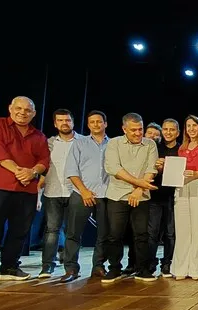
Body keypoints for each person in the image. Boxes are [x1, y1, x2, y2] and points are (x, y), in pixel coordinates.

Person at [0, 96, 50, 286]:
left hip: (28, 190)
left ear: (33, 114)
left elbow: (44, 161)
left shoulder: (39, 135)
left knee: (20, 231)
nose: (22, 113)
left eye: (27, 110)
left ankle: (9, 267)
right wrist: (20, 171)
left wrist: (32, 172)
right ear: (10, 108)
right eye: (18, 108)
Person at [102, 113, 159, 283]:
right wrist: (138, 184)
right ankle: (114, 268)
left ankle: (142, 269)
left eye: (140, 129)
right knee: (115, 235)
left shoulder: (150, 144)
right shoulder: (114, 143)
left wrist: (138, 190)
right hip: (117, 194)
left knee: (142, 234)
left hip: (141, 196)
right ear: (124, 129)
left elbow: (152, 169)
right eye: (133, 130)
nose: (137, 133)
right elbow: (114, 168)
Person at [62, 110, 110, 281]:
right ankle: (71, 269)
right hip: (80, 194)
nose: (96, 125)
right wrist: (84, 191)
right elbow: (71, 170)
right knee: (73, 232)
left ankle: (98, 266)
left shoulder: (113, 144)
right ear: (88, 125)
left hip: (105, 195)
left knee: (104, 233)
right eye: (92, 122)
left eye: (99, 121)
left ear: (105, 124)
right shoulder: (79, 144)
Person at [38, 109, 82, 278]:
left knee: (73, 231)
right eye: (61, 120)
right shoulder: (48, 143)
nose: (65, 123)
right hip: (53, 191)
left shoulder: (83, 142)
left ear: (73, 122)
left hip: (75, 191)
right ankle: (47, 266)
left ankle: (71, 266)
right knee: (51, 230)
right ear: (55, 123)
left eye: (68, 120)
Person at [171, 115, 198, 280]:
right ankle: (180, 268)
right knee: (182, 229)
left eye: (194, 125)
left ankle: (197, 269)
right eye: (188, 126)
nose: (192, 129)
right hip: (182, 187)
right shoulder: (181, 148)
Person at [149, 118, 180, 277]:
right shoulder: (154, 148)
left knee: (171, 233)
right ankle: (150, 263)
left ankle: (167, 263)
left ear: (178, 132)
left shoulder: (182, 150)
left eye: (172, 129)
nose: (168, 132)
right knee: (153, 232)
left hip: (175, 196)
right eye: (165, 129)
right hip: (155, 195)